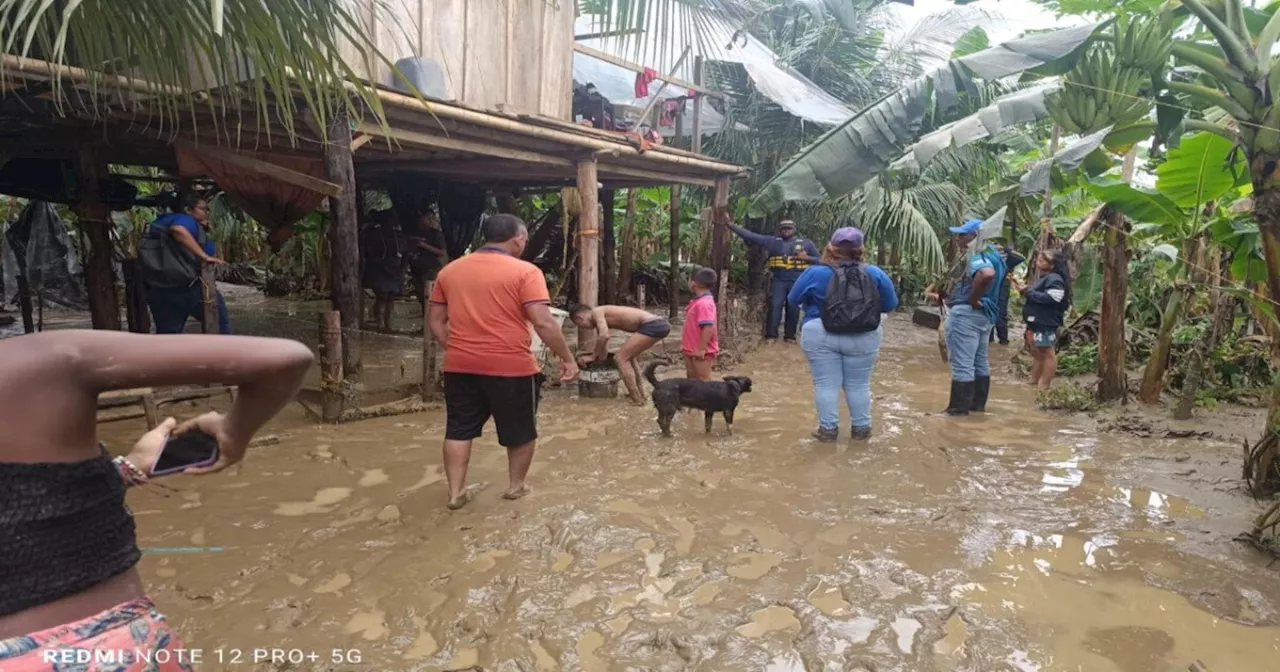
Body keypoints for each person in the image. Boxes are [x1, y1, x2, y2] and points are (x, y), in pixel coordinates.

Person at [0, 331, 312, 668]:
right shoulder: (35, 359)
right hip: (107, 651)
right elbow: (284, 358)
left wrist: (126, 470)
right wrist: (234, 430)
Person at [427, 214, 579, 511]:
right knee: (521, 429)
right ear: (518, 239)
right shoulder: (526, 272)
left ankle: (456, 493)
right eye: (524, 239)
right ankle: (516, 487)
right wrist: (567, 357)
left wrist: (456, 346)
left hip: (459, 365)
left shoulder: (450, 270)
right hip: (511, 366)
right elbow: (543, 323)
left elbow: (435, 321)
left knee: (458, 428)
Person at [787, 228, 899, 442]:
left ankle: (828, 432)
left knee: (825, 384)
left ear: (831, 247)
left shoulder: (815, 272)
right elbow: (890, 305)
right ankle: (861, 431)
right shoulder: (874, 273)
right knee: (859, 384)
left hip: (819, 331)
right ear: (860, 249)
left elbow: (793, 300)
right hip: (864, 334)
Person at [935, 218, 1006, 416]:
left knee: (962, 364)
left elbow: (986, 274)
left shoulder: (978, 255)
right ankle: (977, 407)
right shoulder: (996, 254)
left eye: (961, 235)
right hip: (986, 315)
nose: (957, 238)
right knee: (980, 361)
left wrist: (973, 299)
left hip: (967, 313)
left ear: (975, 235)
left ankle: (957, 411)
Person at [142, 193, 231, 335]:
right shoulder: (185, 220)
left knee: (167, 337)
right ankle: (225, 356)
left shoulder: (159, 222)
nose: (207, 213)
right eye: (203, 209)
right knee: (221, 325)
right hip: (189, 288)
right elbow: (178, 230)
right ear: (189, 210)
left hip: (160, 290)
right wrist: (204, 256)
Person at [728, 219, 819, 343]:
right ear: (779, 230)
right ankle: (771, 335)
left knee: (793, 307)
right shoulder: (772, 242)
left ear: (794, 229)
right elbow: (751, 236)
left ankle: (790, 336)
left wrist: (807, 257)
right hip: (778, 280)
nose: (786, 231)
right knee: (775, 305)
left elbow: (821, 260)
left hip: (797, 280)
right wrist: (731, 225)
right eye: (784, 228)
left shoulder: (807, 243)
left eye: (789, 228)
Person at [570, 304, 671, 404]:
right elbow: (603, 348)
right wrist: (596, 360)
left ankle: (636, 399)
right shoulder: (599, 321)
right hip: (656, 325)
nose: (585, 328)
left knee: (620, 358)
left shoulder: (596, 312)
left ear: (579, 318)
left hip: (652, 324)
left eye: (580, 326)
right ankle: (642, 394)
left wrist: (592, 356)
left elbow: (604, 336)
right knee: (629, 357)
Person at [1012, 248, 1071, 390]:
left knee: (1047, 352)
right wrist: (1025, 290)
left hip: (1046, 321)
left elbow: (1054, 298)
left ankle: (1044, 385)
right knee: (1039, 352)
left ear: (1052, 265)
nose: (1039, 260)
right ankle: (1034, 380)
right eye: (1039, 258)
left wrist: (1028, 291)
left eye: (1044, 259)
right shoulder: (1046, 277)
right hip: (1038, 320)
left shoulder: (1054, 279)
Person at [361, 210, 406, 333]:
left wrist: (402, 269)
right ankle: (379, 323)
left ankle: (388, 323)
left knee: (391, 297)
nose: (391, 222)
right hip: (380, 270)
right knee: (382, 296)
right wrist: (386, 268)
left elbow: (405, 253)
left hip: (395, 270)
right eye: (389, 219)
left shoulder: (399, 235)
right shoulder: (374, 235)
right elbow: (370, 255)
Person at [682, 267, 720, 381]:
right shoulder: (698, 301)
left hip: (701, 351)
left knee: (704, 381)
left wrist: (702, 349)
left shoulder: (704, 304)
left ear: (694, 283)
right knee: (691, 379)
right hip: (691, 348)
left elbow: (708, 327)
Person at [407, 212, 449, 312]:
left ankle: (429, 323)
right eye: (424, 218)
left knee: (429, 297)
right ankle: (424, 321)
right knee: (421, 296)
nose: (424, 220)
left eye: (429, 219)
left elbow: (441, 252)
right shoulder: (414, 232)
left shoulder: (436, 234)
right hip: (415, 269)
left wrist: (423, 245)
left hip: (430, 270)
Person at [991, 243, 1025, 346]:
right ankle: (989, 339)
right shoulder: (990, 259)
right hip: (990, 289)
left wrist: (1007, 250)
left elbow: (1020, 258)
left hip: (1002, 289)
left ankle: (1003, 339)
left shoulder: (1009, 261)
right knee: (989, 313)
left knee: (1001, 314)